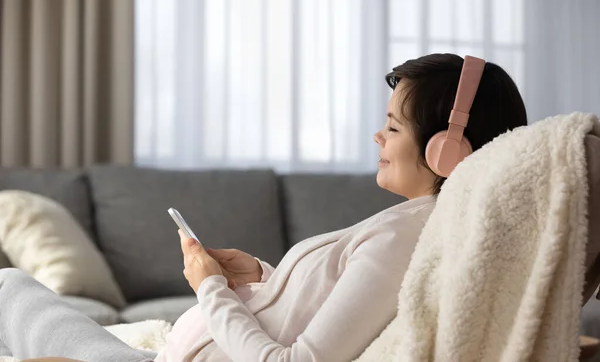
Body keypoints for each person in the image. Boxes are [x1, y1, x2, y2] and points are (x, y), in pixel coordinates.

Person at [0, 53, 528, 362]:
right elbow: (317, 313)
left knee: (8, 287)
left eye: (392, 126)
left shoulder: (403, 238)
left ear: (446, 150)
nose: (378, 134)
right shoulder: (414, 228)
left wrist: (208, 288)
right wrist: (259, 275)